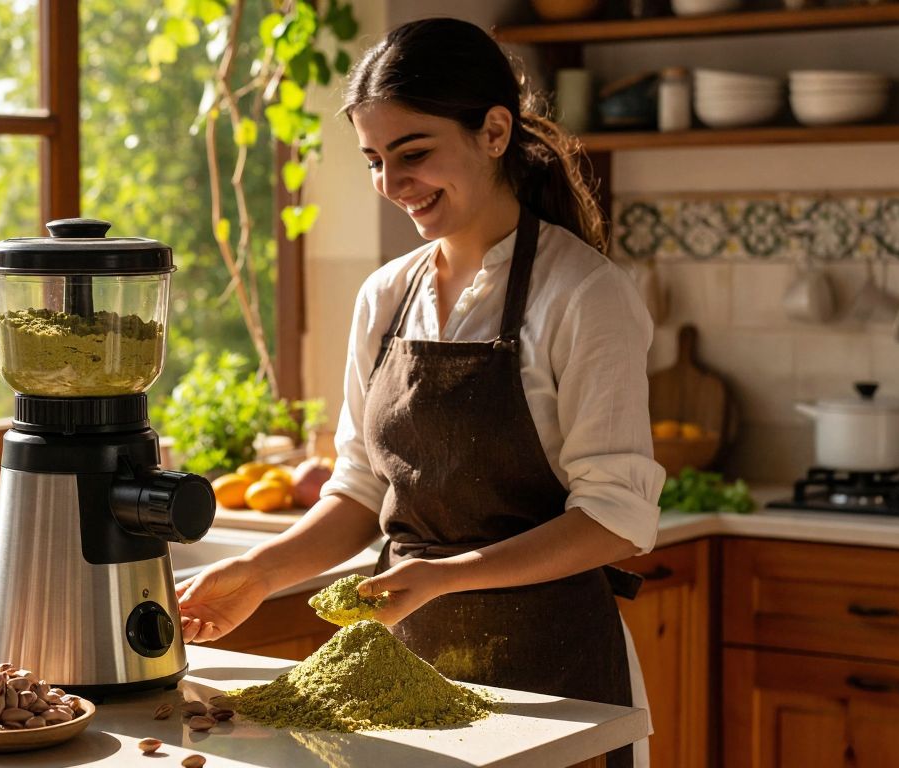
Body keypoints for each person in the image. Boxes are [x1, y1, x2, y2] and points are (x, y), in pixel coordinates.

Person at [175, 17, 665, 768]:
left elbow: (616, 519)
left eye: (413, 154)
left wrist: (445, 577)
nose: (391, 186)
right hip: (404, 678)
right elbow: (362, 489)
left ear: (494, 132)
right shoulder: (385, 298)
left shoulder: (584, 295)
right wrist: (261, 574)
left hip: (559, 688)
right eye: (374, 160)